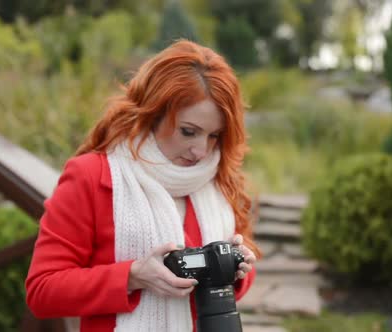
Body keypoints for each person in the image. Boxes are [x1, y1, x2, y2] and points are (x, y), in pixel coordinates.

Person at [25, 39, 260, 332]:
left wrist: (237, 269)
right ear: (152, 113)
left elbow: (235, 283)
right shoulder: (92, 175)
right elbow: (42, 291)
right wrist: (132, 277)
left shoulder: (216, 176)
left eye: (214, 136)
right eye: (189, 132)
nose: (200, 150)